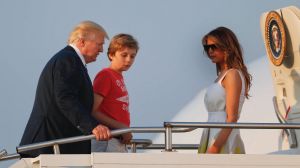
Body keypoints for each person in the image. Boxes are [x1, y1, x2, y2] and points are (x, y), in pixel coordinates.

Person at [19, 21, 112, 158]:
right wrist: (92, 126)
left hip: (55, 146)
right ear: (82, 42)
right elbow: (65, 97)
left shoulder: (70, 60)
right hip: (47, 146)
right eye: (99, 44)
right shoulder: (68, 59)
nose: (101, 50)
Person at [198, 27, 252, 154]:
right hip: (213, 132)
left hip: (223, 137)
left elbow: (232, 118)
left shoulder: (232, 75)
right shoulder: (222, 76)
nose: (210, 51)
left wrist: (215, 148)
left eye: (214, 47)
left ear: (226, 47)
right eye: (207, 48)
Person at [91, 34, 139, 152]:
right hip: (106, 140)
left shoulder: (118, 77)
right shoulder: (106, 75)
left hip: (118, 138)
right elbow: (92, 111)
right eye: (124, 55)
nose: (129, 60)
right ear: (111, 55)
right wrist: (122, 128)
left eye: (132, 56)